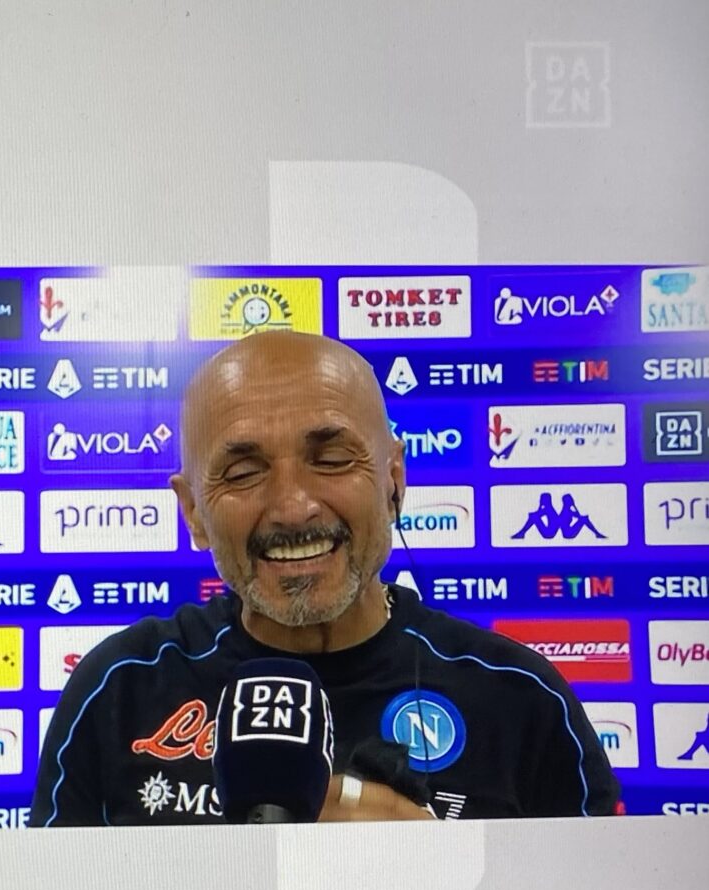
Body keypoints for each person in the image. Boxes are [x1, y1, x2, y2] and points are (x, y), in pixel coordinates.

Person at [31, 330, 618, 826]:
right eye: (243, 471)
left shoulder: (520, 700)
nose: (293, 507)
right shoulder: (119, 691)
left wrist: (444, 870)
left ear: (394, 481)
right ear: (193, 513)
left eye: (332, 460)